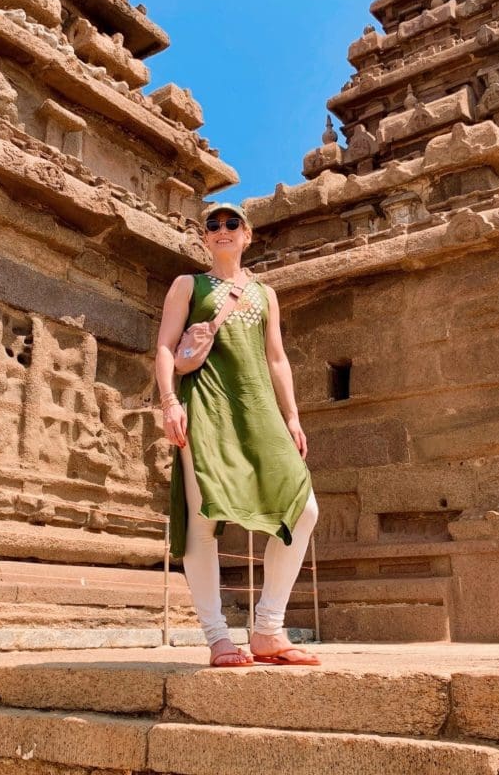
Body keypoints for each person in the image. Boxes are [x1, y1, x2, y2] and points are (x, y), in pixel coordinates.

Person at [155, 202, 320, 667]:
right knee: (204, 519)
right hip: (205, 404)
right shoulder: (189, 284)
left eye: (232, 224)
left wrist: (292, 416)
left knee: (302, 508)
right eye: (213, 225)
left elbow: (276, 358)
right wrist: (169, 403)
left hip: (258, 409)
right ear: (204, 237)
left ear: (247, 235)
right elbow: (167, 346)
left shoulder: (265, 293)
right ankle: (218, 637)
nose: (222, 230)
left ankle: (267, 628)